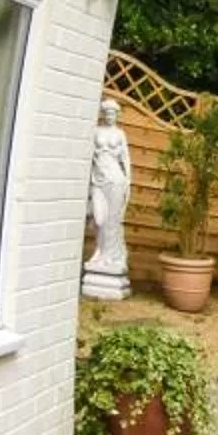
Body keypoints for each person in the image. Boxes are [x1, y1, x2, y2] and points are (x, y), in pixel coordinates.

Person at [83, 101, 131, 299]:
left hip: (116, 180)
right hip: (98, 180)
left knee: (113, 220)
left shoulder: (120, 134)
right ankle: (101, 251)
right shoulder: (95, 132)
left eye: (113, 113)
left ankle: (110, 256)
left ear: (117, 115)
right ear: (103, 113)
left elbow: (126, 159)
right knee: (98, 218)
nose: (110, 115)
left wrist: (129, 182)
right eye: (107, 112)